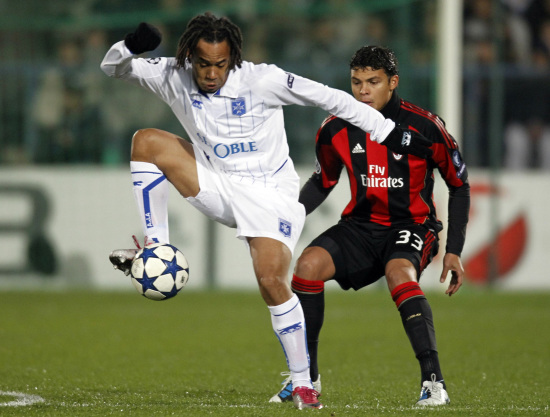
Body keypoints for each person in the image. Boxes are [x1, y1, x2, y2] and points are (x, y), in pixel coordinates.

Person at [100, 14, 432, 410]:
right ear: (189, 57)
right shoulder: (173, 74)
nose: (211, 73)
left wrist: (387, 132)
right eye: (203, 64)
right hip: (216, 182)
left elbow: (332, 98)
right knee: (146, 141)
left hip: (270, 196)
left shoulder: (262, 80)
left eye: (221, 64)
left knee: (272, 281)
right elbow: (112, 67)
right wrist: (129, 47)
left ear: (233, 59)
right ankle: (156, 248)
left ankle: (303, 384)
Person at [269, 45, 470, 406]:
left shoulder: (425, 126)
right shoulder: (335, 128)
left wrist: (454, 249)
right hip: (360, 226)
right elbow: (322, 182)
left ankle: (433, 383)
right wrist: (286, 221)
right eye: (356, 82)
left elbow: (459, 184)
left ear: (393, 82)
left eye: (373, 82)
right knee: (307, 267)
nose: (363, 91)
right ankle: (306, 378)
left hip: (412, 225)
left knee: (399, 273)